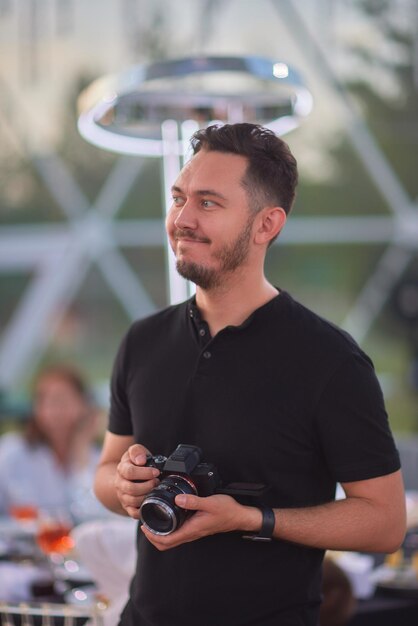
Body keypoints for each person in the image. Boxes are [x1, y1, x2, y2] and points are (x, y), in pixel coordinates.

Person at [94, 123, 406, 626]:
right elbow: (106, 474)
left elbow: (385, 522)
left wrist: (254, 520)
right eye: (179, 198)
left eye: (208, 203)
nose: (182, 218)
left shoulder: (330, 361)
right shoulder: (143, 340)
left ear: (267, 225)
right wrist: (125, 485)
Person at [0, 364, 105, 521]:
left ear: (84, 405)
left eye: (61, 400)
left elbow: (95, 515)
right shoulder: (13, 451)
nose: (52, 410)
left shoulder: (96, 457)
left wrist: (81, 449)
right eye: (43, 400)